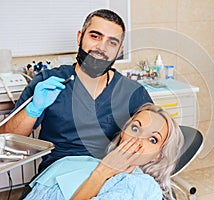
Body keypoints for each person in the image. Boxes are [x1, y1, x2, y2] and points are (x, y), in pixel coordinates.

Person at [0, 9, 152, 173]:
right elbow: (6, 139)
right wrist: (33, 110)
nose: (101, 47)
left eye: (112, 42)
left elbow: (158, 138)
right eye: (95, 36)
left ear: (120, 50)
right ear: (80, 37)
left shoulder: (133, 92)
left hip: (111, 174)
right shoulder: (49, 81)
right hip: (59, 176)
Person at [23, 103, 184, 200]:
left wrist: (102, 172)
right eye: (135, 128)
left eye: (152, 139)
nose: (137, 140)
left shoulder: (143, 186)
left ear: (158, 155)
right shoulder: (78, 161)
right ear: (123, 132)